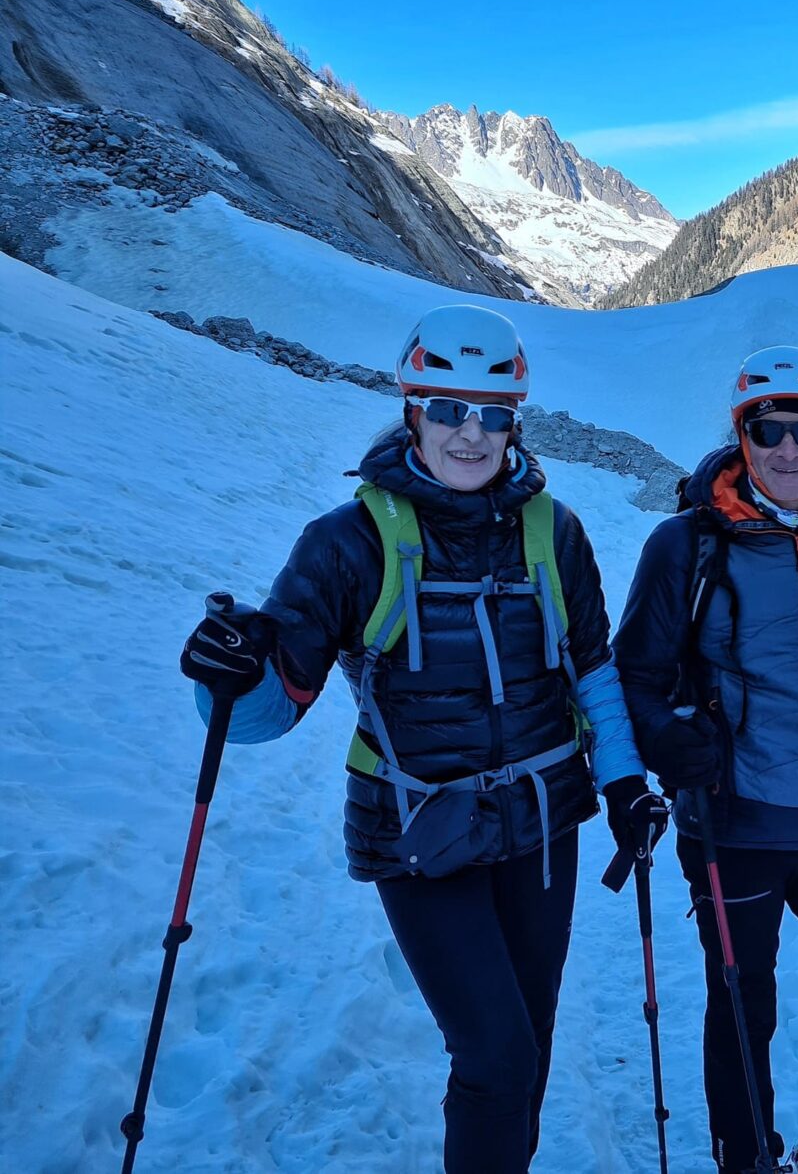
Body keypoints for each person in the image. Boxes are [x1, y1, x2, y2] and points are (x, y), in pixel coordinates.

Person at [178, 303, 665, 1173]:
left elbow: (592, 672)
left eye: (491, 414)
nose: (470, 434)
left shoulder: (555, 534)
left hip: (542, 829)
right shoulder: (347, 543)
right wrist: (226, 674)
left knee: (530, 1048)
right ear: (412, 409)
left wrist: (624, 782)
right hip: (417, 834)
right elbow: (266, 712)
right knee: (496, 1054)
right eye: (447, 409)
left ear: (515, 420)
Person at [616, 345, 798, 1174]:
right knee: (745, 1008)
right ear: (742, 434)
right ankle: (747, 1161)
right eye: (769, 428)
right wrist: (672, 747)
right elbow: (635, 672)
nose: (788, 449)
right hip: (734, 823)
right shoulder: (687, 545)